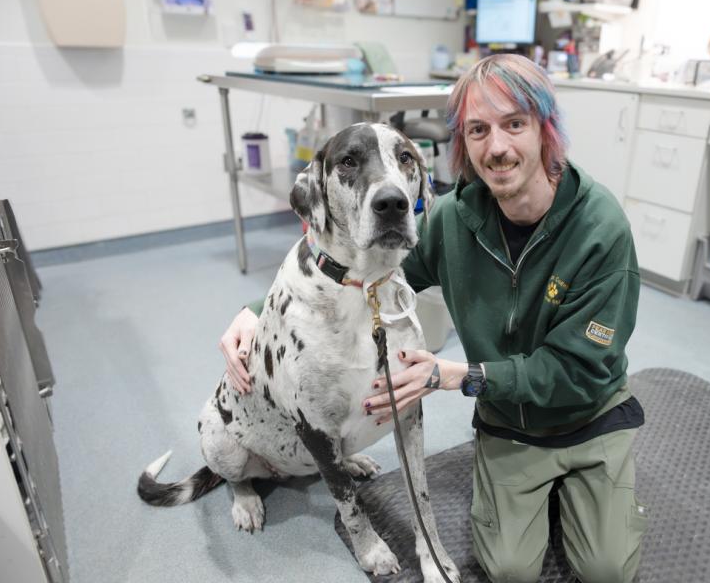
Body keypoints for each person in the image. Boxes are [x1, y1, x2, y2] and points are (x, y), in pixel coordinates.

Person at [220, 53, 646, 583]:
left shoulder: (601, 229)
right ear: (461, 146)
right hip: (509, 424)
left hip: (588, 419)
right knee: (510, 569)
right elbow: (362, 272)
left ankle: (588, 489)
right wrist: (256, 313)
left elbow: (582, 370)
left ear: (546, 130)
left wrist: (458, 376)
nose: (497, 146)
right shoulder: (453, 218)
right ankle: (539, 493)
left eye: (515, 124)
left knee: (607, 571)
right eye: (478, 129)